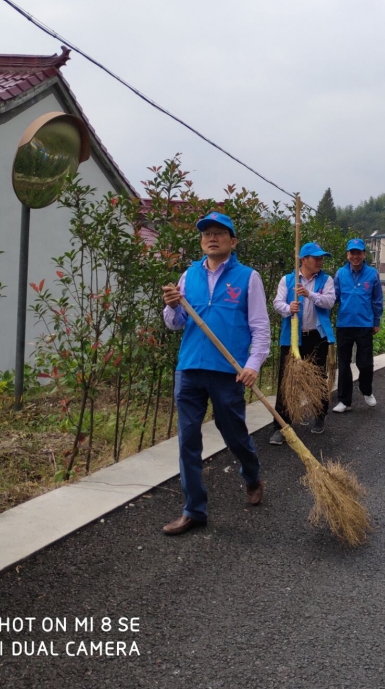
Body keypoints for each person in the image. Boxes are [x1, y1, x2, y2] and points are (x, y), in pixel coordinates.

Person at [160, 211, 270, 535]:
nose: (212, 237)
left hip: (228, 371)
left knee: (234, 433)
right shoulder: (188, 276)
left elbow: (260, 328)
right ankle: (194, 510)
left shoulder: (248, 277)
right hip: (190, 367)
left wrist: (253, 365)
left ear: (232, 241)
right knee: (188, 441)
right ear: (201, 240)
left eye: (220, 233)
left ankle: (251, 474)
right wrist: (172, 306)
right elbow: (175, 324)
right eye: (206, 233)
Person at [270, 242, 336, 443]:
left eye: (321, 258)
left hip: (317, 336)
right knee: (287, 380)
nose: (320, 261)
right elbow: (277, 303)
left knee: (318, 378)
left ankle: (319, 415)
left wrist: (310, 295)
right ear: (303, 259)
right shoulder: (288, 280)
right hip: (292, 338)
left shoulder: (326, 280)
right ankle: (282, 426)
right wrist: (289, 307)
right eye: (316, 258)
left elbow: (330, 302)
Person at [332, 238, 384, 413]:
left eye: (358, 253)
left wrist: (376, 321)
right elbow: (334, 297)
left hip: (364, 324)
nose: (355, 256)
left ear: (364, 254)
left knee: (365, 363)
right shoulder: (340, 274)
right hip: (344, 324)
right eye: (352, 253)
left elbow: (377, 300)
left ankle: (367, 390)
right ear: (347, 255)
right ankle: (344, 401)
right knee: (344, 363)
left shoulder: (372, 274)